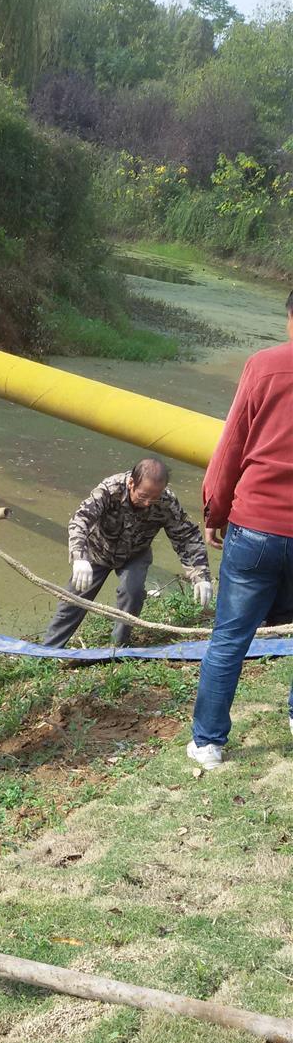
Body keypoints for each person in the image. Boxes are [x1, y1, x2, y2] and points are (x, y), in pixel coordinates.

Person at [187, 295, 293, 770]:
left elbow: (232, 445)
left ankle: (208, 744)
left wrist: (216, 512)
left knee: (230, 638)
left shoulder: (264, 366)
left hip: (255, 526)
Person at [43, 458, 212, 649]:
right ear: (131, 483)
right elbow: (80, 519)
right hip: (97, 551)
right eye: (143, 496)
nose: (148, 503)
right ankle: (48, 650)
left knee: (132, 593)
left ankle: (118, 647)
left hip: (135, 554)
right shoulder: (109, 490)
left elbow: (186, 536)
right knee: (73, 601)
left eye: (154, 497)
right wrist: (79, 557)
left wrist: (201, 575)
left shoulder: (166, 502)